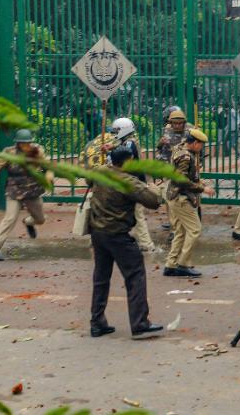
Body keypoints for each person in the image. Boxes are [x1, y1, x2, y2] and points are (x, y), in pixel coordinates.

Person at [89, 145, 164, 340]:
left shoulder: (100, 172)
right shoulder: (128, 182)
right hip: (117, 234)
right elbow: (154, 201)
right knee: (135, 275)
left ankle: (97, 322)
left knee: (101, 278)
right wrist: (153, 186)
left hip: (98, 232)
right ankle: (139, 323)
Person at [0, 129, 52, 261]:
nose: (25, 146)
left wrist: (49, 176)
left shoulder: (37, 151)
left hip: (33, 189)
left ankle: (28, 222)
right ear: (17, 143)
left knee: (40, 219)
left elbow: (48, 166)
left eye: (27, 143)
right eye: (22, 143)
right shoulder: (9, 152)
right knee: (9, 219)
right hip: (14, 189)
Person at [163, 129, 214, 277]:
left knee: (180, 232)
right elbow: (181, 180)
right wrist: (202, 188)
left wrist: (198, 180)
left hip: (174, 196)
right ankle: (183, 264)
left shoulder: (180, 148)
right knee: (195, 229)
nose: (201, 148)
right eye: (201, 145)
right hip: (181, 197)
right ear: (195, 143)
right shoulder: (186, 156)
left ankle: (170, 265)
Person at [111, 117, 156, 253]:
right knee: (131, 214)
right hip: (131, 184)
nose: (114, 133)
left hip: (134, 185)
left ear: (124, 130)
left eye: (116, 130)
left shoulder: (129, 144)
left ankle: (147, 245)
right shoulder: (127, 142)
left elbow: (123, 156)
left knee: (138, 215)